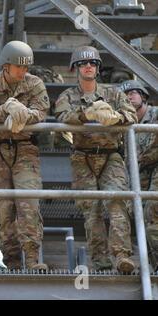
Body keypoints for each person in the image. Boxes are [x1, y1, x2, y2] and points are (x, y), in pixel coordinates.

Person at [55, 46, 137, 273]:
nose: (89, 67)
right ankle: (100, 262)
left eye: (93, 63)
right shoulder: (68, 96)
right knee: (91, 210)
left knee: (117, 203)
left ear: (98, 68)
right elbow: (62, 116)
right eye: (83, 64)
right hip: (83, 157)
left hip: (111, 156)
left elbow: (131, 115)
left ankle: (122, 257)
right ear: (75, 68)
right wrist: (87, 114)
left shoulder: (114, 94)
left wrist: (115, 118)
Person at [0, 40, 49, 270]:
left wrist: (24, 114)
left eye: (26, 67)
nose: (23, 71)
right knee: (4, 208)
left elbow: (41, 111)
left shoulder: (34, 83)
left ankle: (33, 259)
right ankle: (13, 262)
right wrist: (6, 109)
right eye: (19, 66)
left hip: (25, 148)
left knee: (28, 202)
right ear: (6, 65)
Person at [121, 79, 158, 271]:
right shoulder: (124, 125)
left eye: (133, 92)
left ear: (143, 96)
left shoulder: (156, 114)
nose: (129, 96)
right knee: (141, 219)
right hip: (140, 173)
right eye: (125, 94)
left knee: (152, 214)